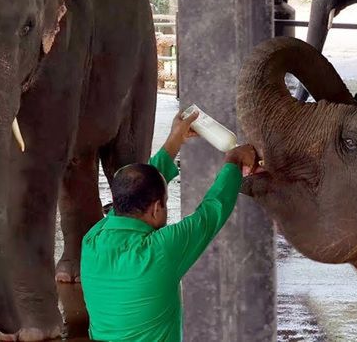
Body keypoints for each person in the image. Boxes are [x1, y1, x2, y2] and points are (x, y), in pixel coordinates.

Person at [81, 110, 259, 342]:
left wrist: (176, 139)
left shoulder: (92, 239)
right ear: (156, 209)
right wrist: (234, 161)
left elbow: (134, 191)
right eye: (164, 203)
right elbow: (210, 213)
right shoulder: (158, 252)